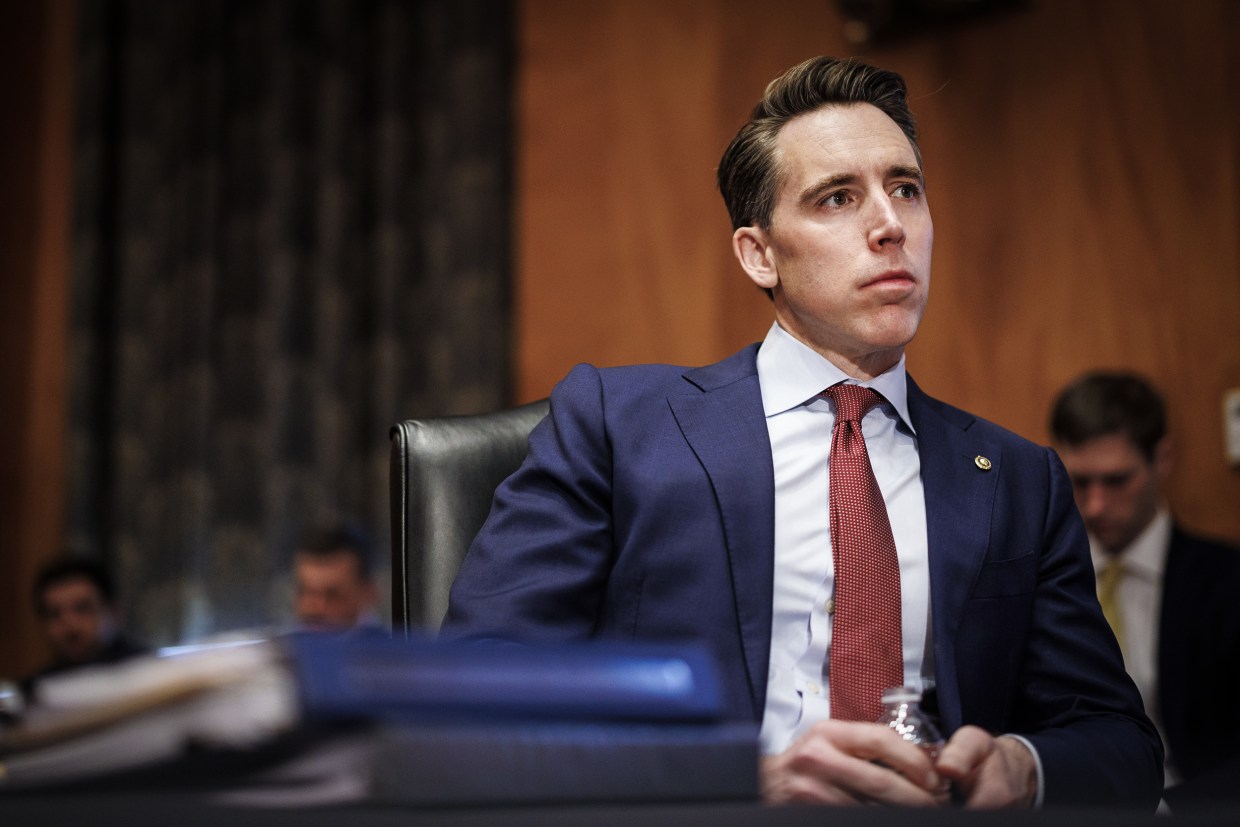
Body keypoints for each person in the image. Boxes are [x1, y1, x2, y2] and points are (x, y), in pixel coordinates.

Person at [442, 56, 1162, 809]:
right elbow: (477, 691)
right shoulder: (618, 423)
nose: (890, 226)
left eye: (906, 189)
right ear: (759, 255)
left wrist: (1022, 764)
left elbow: (1118, 741)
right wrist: (745, 781)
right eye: (837, 198)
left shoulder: (1019, 477)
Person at [1050, 371, 1240, 811]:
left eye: (1117, 481)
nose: (1095, 505)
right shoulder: (1044, 581)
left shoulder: (1227, 583)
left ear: (1163, 458)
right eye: (1080, 482)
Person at [22, 556, 149, 696]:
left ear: (114, 611)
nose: (70, 623)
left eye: (82, 608)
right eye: (55, 614)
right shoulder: (36, 692)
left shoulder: (151, 674)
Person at [293, 522, 382, 632]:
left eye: (332, 595)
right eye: (306, 592)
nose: (316, 608)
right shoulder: (276, 647)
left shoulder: (395, 647)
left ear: (369, 592)